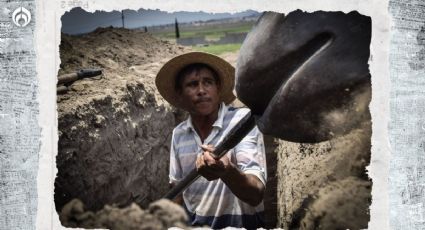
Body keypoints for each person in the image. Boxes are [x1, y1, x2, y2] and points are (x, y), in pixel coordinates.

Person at [155, 52, 267, 229]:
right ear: (180, 93)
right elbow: (177, 192)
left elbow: (255, 194)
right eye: (192, 84)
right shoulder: (179, 133)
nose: (201, 90)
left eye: (208, 82)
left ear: (218, 87)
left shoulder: (242, 122)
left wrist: (227, 171)